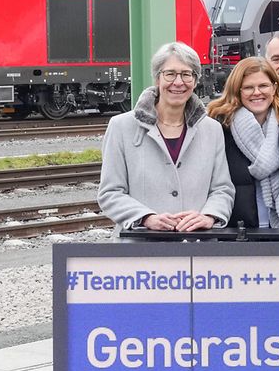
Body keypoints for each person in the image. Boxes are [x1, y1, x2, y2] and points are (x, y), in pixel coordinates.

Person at [98, 41, 233, 233]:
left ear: (195, 81)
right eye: (170, 74)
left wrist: (209, 216)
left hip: (196, 247)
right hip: (140, 249)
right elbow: (110, 193)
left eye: (187, 74)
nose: (178, 82)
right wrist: (145, 218)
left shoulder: (212, 129)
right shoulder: (121, 127)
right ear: (157, 79)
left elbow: (223, 189)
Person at [206, 57, 279, 228]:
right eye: (248, 87)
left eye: (263, 86)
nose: (257, 92)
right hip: (235, 230)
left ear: (274, 88)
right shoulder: (219, 127)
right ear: (237, 91)